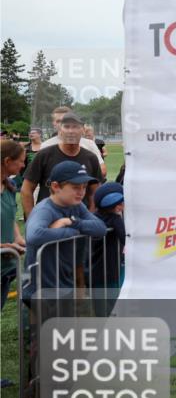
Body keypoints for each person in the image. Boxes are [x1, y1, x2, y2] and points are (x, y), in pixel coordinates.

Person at [23, 161, 105, 303]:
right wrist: (73, 232)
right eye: (75, 187)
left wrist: (71, 222)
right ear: (55, 186)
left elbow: (100, 228)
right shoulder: (45, 210)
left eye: (84, 187)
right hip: (42, 288)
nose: (81, 192)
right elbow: (34, 235)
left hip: (64, 281)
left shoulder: (77, 206)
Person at [21, 112, 101, 216]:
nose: (71, 131)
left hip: (79, 220)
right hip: (49, 219)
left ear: (83, 130)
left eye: (76, 127)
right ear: (60, 130)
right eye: (66, 127)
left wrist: (89, 216)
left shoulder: (90, 158)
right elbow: (26, 189)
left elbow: (94, 193)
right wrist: (32, 219)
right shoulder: (44, 155)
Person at [39, 107, 106, 179]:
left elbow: (102, 171)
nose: (61, 123)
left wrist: (80, 180)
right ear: (54, 123)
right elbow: (37, 175)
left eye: (65, 120)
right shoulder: (45, 145)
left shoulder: (89, 144)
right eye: (58, 121)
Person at [90, 182, 125, 316]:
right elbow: (124, 237)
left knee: (98, 302)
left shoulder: (94, 216)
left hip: (94, 268)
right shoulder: (115, 219)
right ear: (117, 205)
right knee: (113, 301)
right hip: (111, 268)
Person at [1, 140, 27, 309]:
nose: (23, 165)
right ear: (7, 161)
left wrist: (17, 237)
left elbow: (11, 218)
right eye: (20, 161)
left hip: (5, 269)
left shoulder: (10, 187)